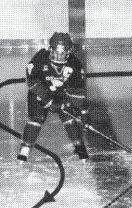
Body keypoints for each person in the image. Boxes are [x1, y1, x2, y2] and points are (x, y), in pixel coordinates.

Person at [17, 32, 89, 162]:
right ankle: (25, 147)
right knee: (36, 118)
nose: (59, 56)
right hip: (41, 93)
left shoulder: (75, 65)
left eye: (63, 53)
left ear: (68, 51)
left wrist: (68, 104)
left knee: (69, 117)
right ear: (51, 49)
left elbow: (78, 91)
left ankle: (79, 145)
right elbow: (32, 81)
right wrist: (48, 100)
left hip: (63, 94)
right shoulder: (40, 58)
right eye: (56, 52)